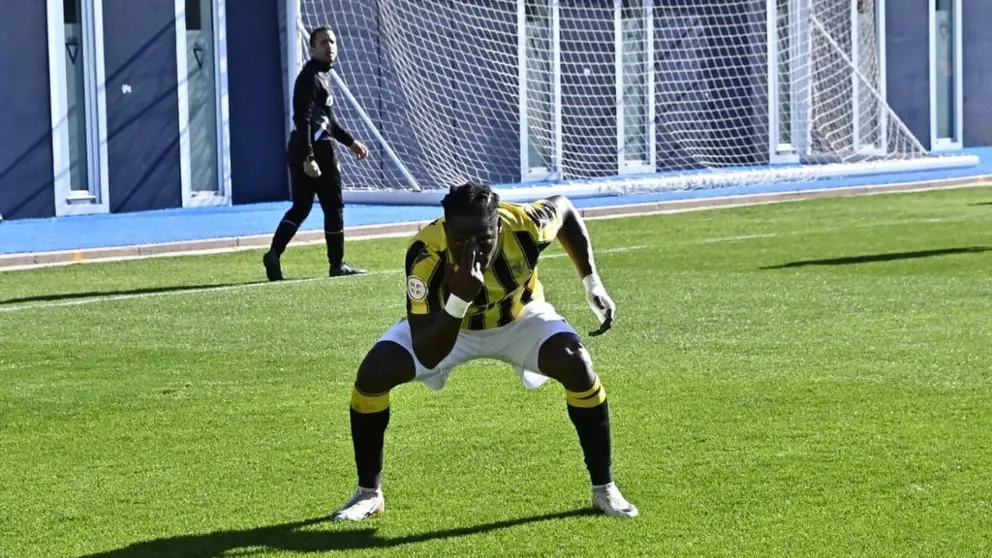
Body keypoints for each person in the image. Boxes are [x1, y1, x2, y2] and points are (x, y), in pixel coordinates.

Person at [330, 181, 638, 521]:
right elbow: (428, 352)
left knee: (576, 364)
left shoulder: (524, 224)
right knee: (374, 372)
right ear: (446, 230)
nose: (471, 250)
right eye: (460, 240)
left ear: (499, 225)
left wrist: (591, 281)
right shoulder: (425, 254)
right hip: (449, 328)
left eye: (483, 239)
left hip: (519, 319)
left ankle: (604, 489)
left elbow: (562, 208)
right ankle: (368, 494)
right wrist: (460, 298)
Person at [264, 26, 369, 281]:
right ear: (312, 49)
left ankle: (274, 254)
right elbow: (303, 119)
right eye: (323, 42)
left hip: (310, 147)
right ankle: (337, 265)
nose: (329, 46)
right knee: (333, 207)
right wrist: (309, 158)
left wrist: (350, 142)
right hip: (315, 149)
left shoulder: (324, 76)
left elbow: (328, 120)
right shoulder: (309, 77)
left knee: (301, 207)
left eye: (332, 41)